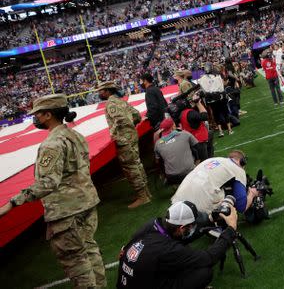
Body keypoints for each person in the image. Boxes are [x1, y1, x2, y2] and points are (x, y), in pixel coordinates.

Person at [0, 94, 106, 288]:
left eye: (38, 114)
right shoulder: (74, 135)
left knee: (77, 264)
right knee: (90, 251)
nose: (35, 118)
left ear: (48, 115)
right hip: (86, 202)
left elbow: (48, 182)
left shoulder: (52, 143)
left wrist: (13, 202)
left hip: (66, 211)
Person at [117, 200, 237, 288]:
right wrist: (231, 228)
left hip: (128, 282)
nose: (194, 228)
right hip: (148, 282)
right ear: (181, 228)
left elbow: (124, 250)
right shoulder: (170, 249)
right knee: (204, 273)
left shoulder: (153, 226)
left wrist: (211, 218)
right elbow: (209, 257)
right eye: (192, 225)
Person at [97, 80, 152, 208]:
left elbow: (121, 119)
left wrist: (115, 133)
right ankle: (146, 193)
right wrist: (131, 127)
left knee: (130, 167)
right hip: (131, 137)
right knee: (137, 164)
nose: (99, 93)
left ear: (107, 91)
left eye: (101, 90)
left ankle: (142, 196)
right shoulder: (120, 100)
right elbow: (136, 115)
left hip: (124, 140)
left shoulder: (111, 103)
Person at [172, 151, 259, 214]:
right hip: (198, 210)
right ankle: (214, 221)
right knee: (230, 194)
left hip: (177, 202)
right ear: (242, 162)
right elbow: (241, 207)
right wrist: (252, 193)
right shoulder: (237, 170)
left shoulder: (214, 159)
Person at [154, 118, 199, 185]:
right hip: (189, 171)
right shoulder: (184, 134)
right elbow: (198, 147)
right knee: (192, 148)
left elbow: (157, 162)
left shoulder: (157, 143)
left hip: (171, 176)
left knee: (161, 158)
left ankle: (168, 181)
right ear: (173, 126)